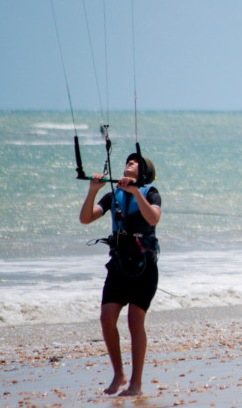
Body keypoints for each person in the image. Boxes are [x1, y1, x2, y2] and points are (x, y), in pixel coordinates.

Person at [79, 153, 161, 396]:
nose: (130, 162)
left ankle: (136, 384)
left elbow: (153, 218)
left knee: (135, 321)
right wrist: (93, 190)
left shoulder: (150, 193)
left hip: (144, 267)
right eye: (128, 160)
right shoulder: (112, 195)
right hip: (118, 266)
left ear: (144, 171)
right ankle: (119, 374)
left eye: (136, 162)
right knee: (106, 318)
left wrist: (136, 192)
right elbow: (85, 219)